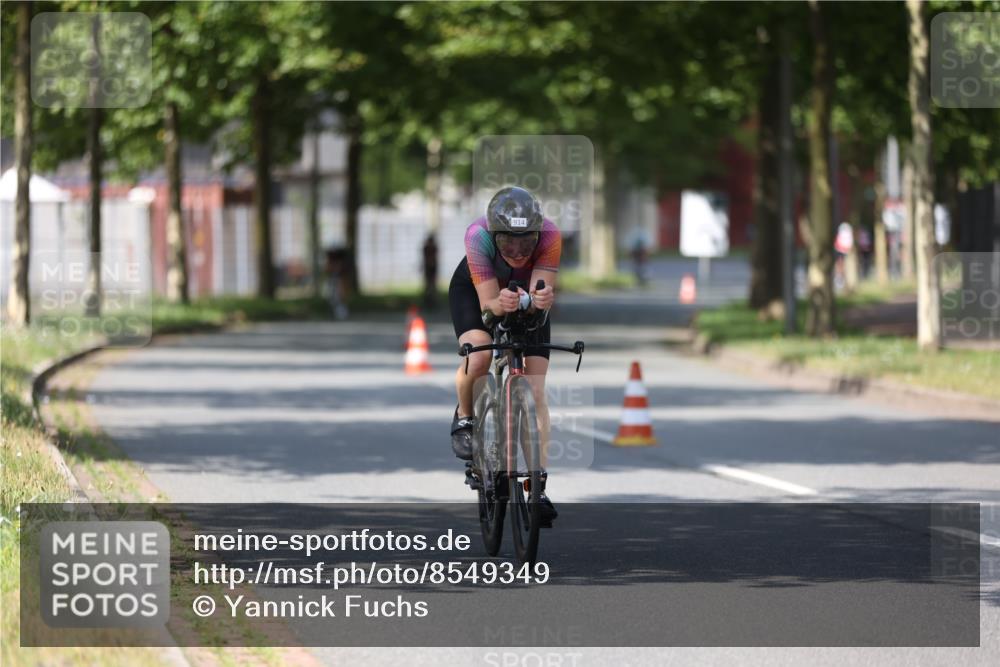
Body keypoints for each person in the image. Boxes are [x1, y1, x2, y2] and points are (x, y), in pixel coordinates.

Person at [448, 186, 560, 525]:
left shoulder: (551, 235)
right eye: (508, 242)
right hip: (477, 293)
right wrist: (500, 304)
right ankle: (466, 416)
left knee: (536, 390)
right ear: (494, 235)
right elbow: (488, 308)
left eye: (526, 243)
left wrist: (539, 302)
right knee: (479, 356)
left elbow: (538, 295)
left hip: (522, 296)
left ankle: (537, 487)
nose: (517, 252)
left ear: (538, 234)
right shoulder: (477, 235)